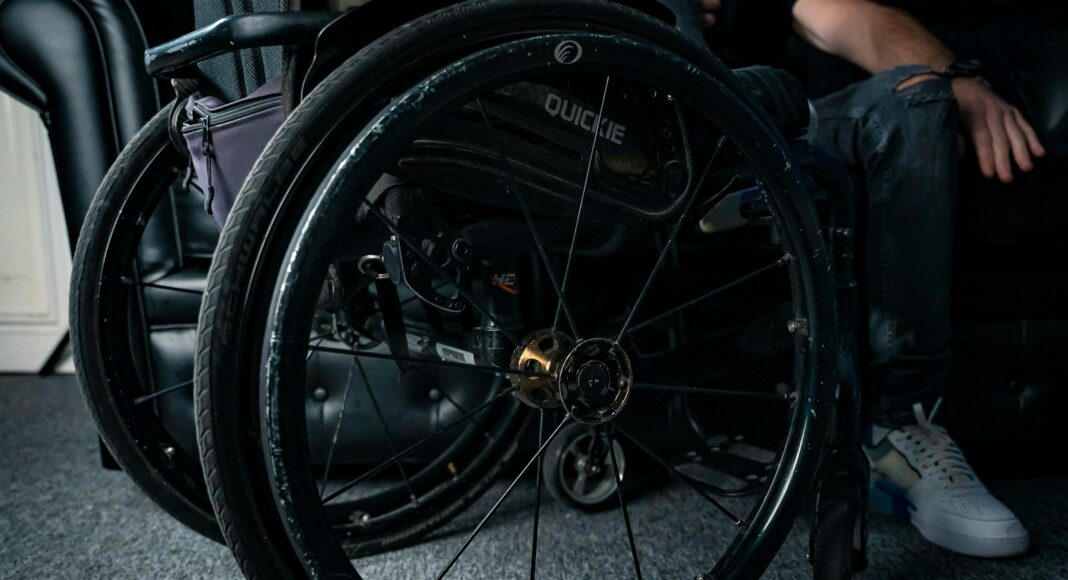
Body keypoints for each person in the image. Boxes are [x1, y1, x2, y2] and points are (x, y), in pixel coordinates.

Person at [699, 0, 1045, 558]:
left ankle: (898, 432)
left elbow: (834, 13)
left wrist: (962, 84)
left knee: (917, 95)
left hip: (766, 125)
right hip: (619, 111)